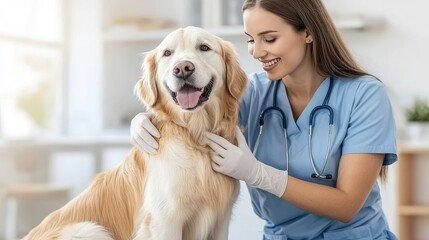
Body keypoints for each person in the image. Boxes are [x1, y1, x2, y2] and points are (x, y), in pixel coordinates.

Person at [130, 0, 398, 239]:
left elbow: (347, 206)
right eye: (250, 39)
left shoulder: (364, 95)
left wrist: (259, 175)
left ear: (308, 32)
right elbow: (192, 117)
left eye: (269, 39)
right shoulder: (252, 93)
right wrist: (145, 118)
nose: (257, 52)